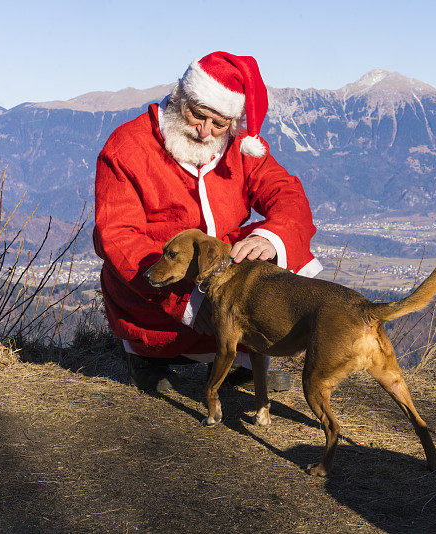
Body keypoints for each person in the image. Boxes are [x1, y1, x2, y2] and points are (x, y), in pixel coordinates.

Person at [93, 51, 322, 393]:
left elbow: (288, 196)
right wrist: (188, 299)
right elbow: (117, 235)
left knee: (281, 249)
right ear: (180, 97)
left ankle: (243, 355)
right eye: (197, 115)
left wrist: (271, 238)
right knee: (145, 271)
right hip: (159, 291)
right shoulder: (127, 146)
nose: (205, 131)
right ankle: (148, 358)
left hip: (221, 280)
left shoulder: (239, 148)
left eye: (219, 124)